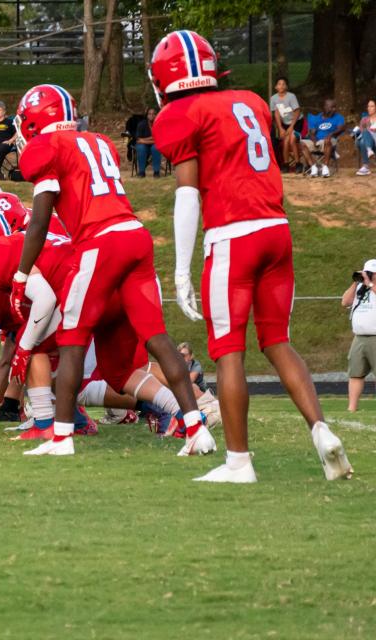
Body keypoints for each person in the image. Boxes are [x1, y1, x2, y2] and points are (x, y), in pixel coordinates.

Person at [150, 29, 352, 482]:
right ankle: (321, 430)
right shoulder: (249, 101)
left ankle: (238, 460)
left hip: (233, 236)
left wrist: (180, 270)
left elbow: (187, 195)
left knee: (229, 353)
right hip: (276, 230)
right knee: (277, 340)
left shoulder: (181, 113)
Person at [11, 82, 213, 458]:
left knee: (72, 338)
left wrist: (21, 275)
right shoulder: (98, 141)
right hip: (135, 235)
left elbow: (38, 223)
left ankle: (61, 437)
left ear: (38, 120)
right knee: (154, 338)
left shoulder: (47, 148)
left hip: (101, 241)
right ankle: (195, 426)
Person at [342, 259, 376, 411]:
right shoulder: (360, 287)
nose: (368, 276)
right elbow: (345, 302)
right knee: (356, 373)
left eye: (371, 273)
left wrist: (370, 283)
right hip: (359, 337)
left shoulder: (371, 286)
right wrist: (356, 283)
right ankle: (352, 408)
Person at [298, 98, 345, 177]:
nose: (334, 109)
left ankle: (325, 167)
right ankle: (313, 167)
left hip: (330, 141)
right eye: (332, 107)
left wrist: (331, 134)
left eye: (335, 107)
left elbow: (341, 128)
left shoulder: (338, 117)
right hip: (317, 141)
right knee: (301, 143)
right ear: (325, 107)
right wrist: (314, 140)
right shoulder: (317, 118)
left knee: (327, 140)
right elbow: (312, 132)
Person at [269, 77, 301, 169]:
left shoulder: (291, 96)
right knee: (285, 141)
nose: (281, 86)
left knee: (292, 140)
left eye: (283, 84)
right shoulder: (273, 98)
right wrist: (280, 128)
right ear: (276, 87)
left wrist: (291, 126)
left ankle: (298, 163)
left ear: (286, 87)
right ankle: (286, 164)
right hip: (285, 123)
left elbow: (297, 111)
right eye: (279, 84)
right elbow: (276, 113)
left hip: (296, 122)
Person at [135, 107, 162, 178]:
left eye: (153, 114)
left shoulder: (159, 123)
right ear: (147, 115)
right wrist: (152, 138)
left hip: (154, 144)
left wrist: (143, 140)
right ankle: (142, 172)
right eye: (149, 114)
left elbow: (159, 139)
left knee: (156, 147)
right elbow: (138, 139)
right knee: (141, 148)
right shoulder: (142, 124)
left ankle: (156, 172)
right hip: (143, 145)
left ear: (157, 115)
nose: (151, 115)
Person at [354, 98, 376, 175]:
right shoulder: (364, 119)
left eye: (372, 106)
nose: (369, 108)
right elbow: (361, 130)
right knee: (363, 138)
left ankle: (366, 167)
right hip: (368, 142)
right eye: (368, 106)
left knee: (364, 137)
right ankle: (369, 150)